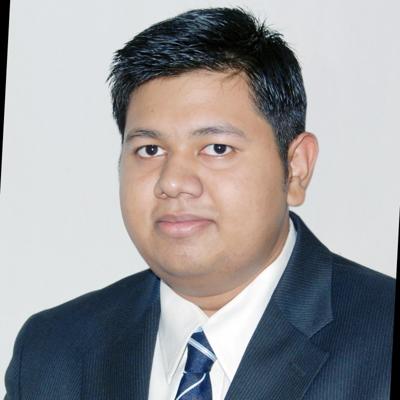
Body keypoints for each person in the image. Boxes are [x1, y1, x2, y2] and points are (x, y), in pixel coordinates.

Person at [4, 7, 395, 400]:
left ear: (295, 168)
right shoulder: (52, 353)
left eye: (217, 148)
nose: (173, 182)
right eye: (150, 149)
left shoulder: (383, 339)